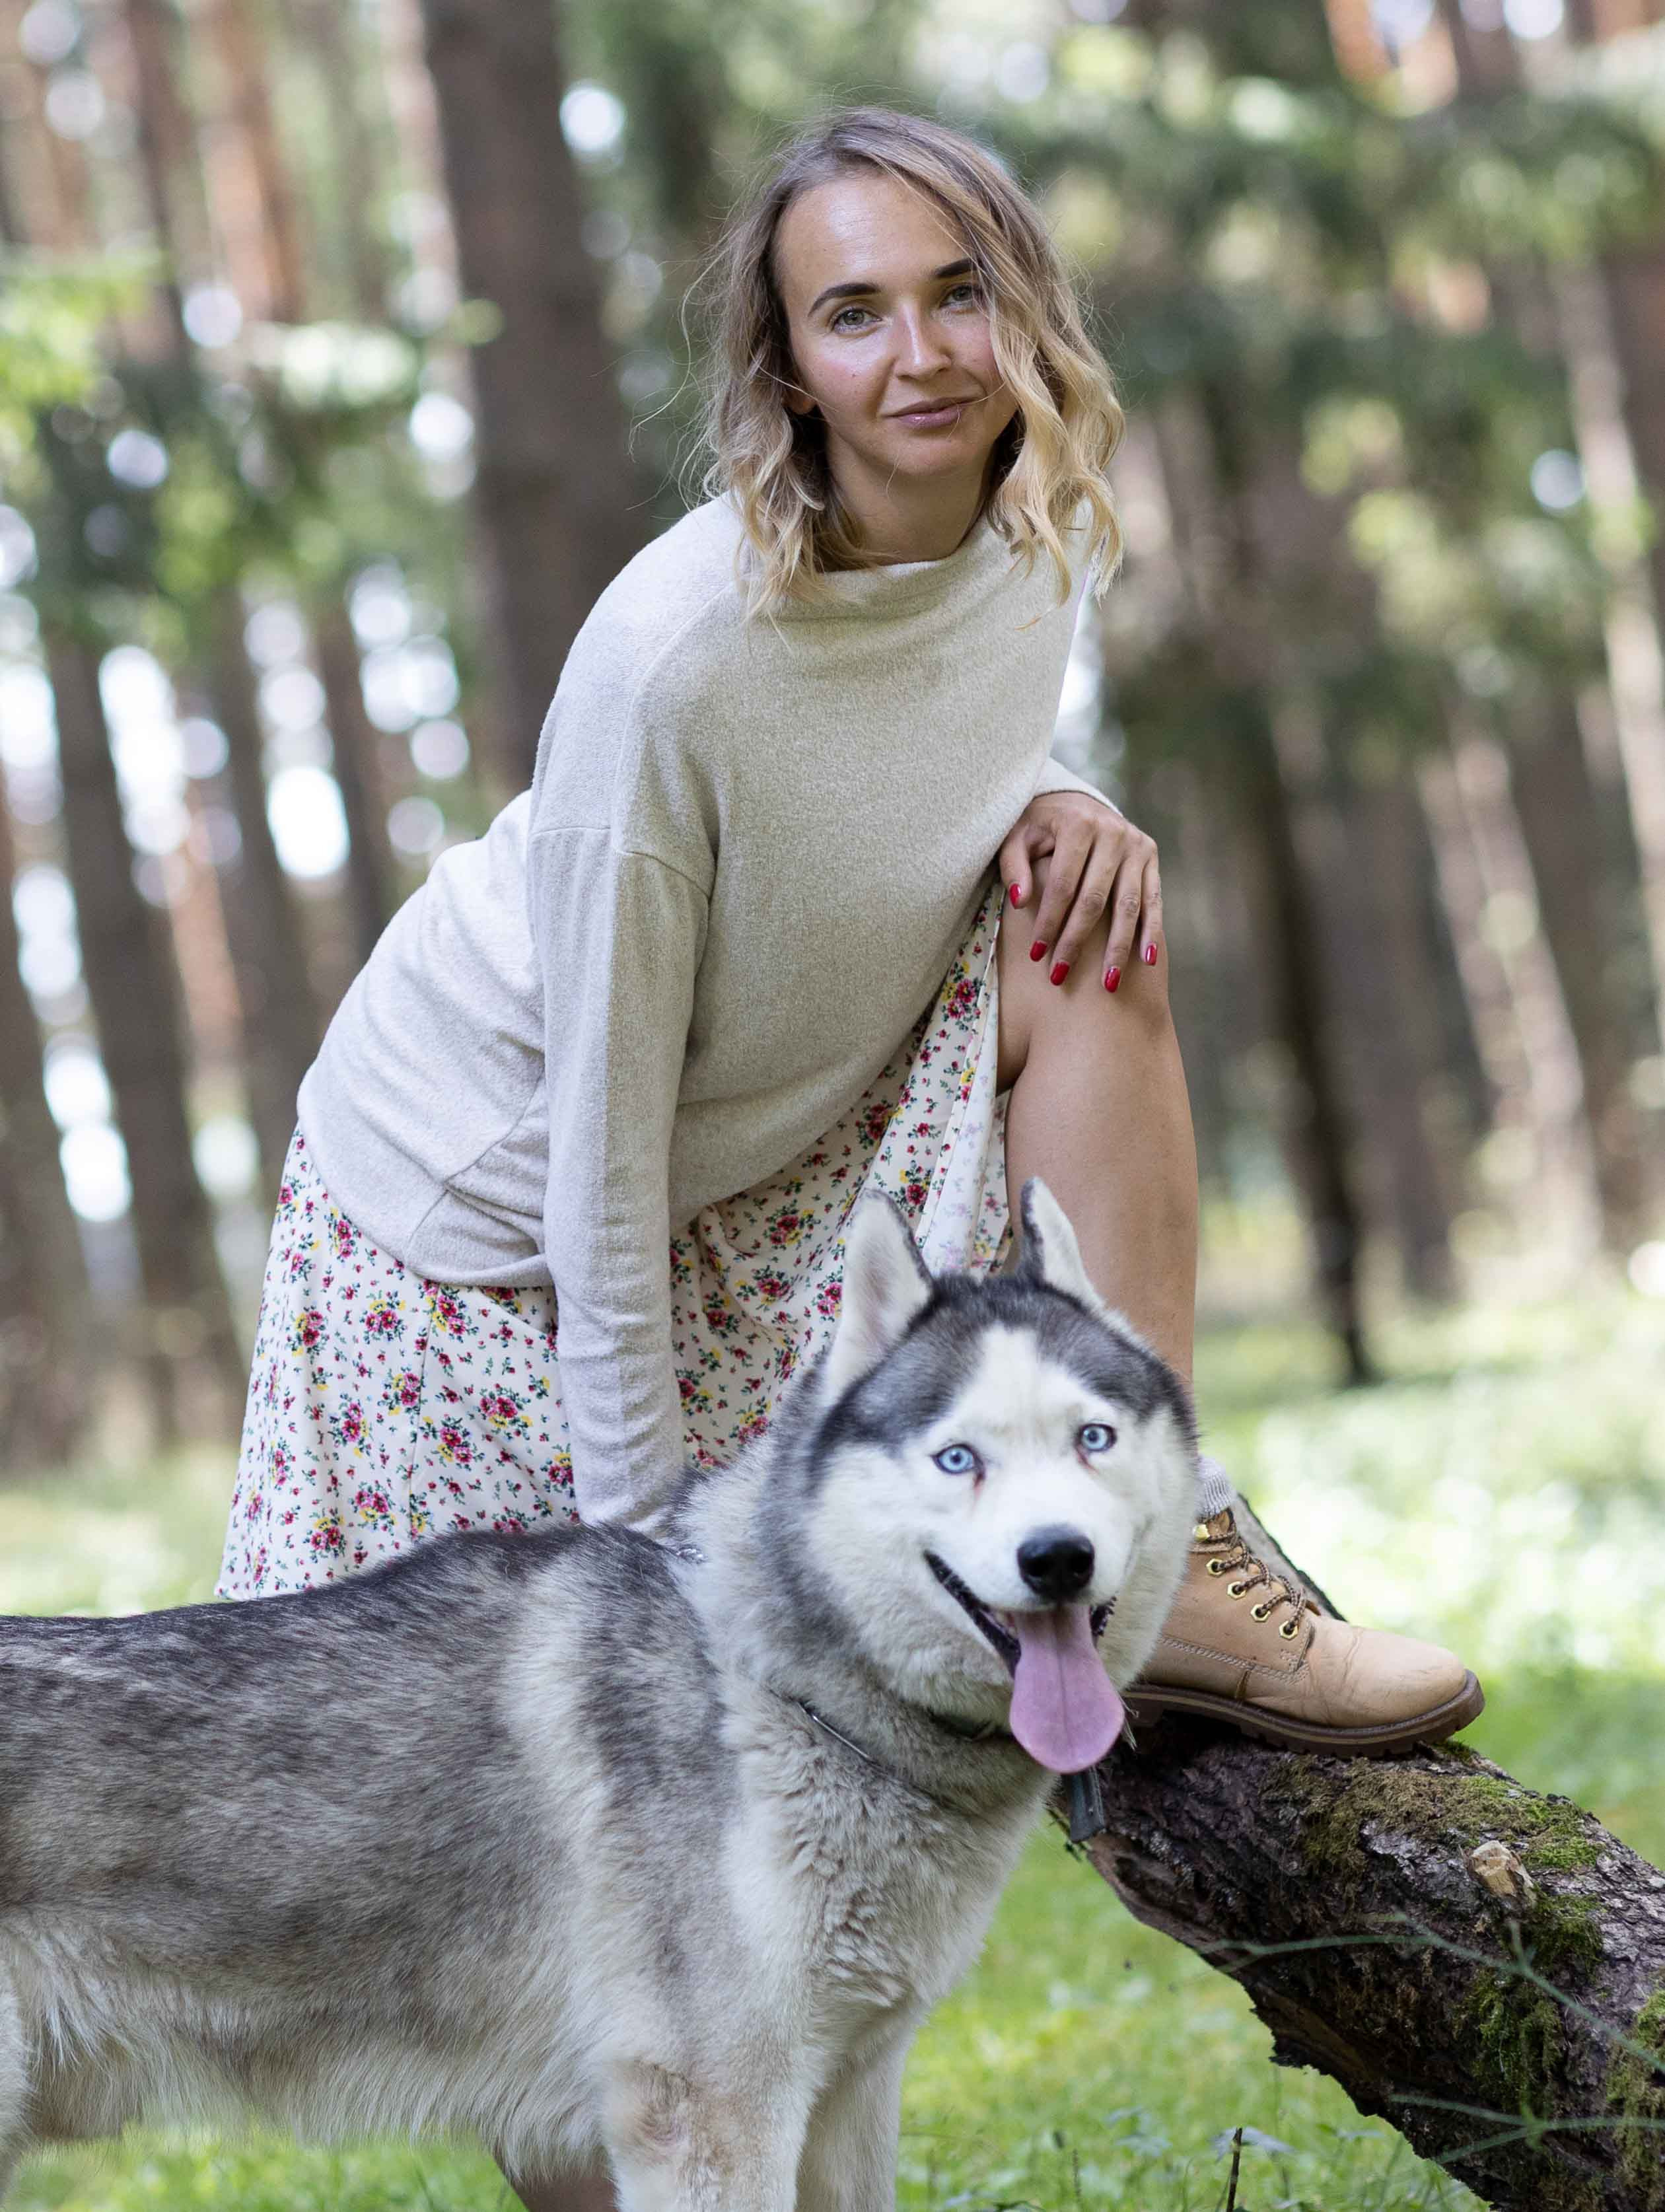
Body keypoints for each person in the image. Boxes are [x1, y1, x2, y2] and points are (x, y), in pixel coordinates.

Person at [218, 106, 1478, 2211]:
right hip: (488, 1228)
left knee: (1094, 925)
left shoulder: (1036, 530)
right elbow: (596, 1171)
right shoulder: (674, 659)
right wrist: (649, 1594)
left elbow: (928, 744)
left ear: (1019, 301)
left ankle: (1163, 1536)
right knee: (602, 1982)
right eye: (852, 313)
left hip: (771, 1129)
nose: (919, 356)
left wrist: (1058, 791)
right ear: (783, 365)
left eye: (957, 290)